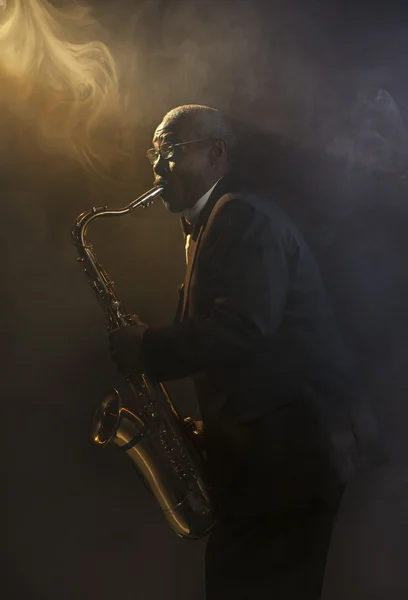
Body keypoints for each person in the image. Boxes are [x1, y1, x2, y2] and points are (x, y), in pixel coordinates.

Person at [109, 104, 384, 599]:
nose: (156, 167)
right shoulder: (218, 220)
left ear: (217, 154)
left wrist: (147, 346)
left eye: (169, 151)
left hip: (287, 464)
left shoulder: (241, 216)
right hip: (275, 460)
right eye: (154, 153)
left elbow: (242, 329)